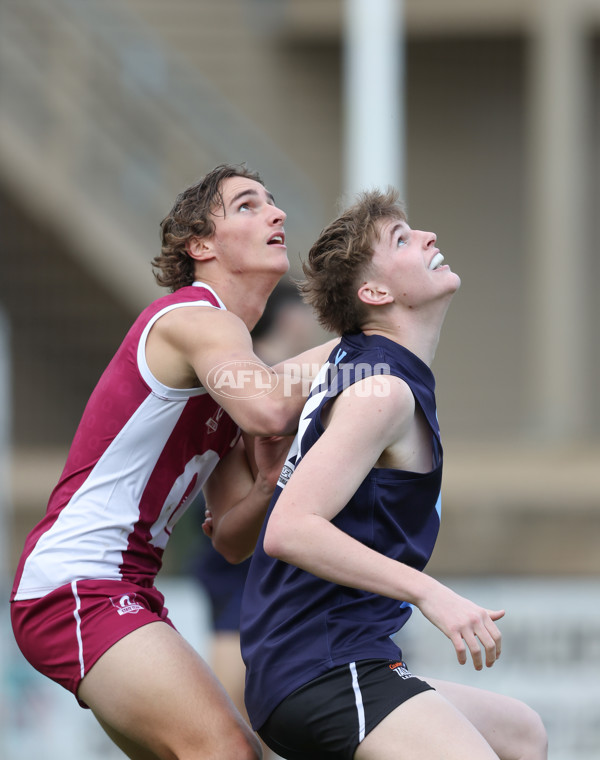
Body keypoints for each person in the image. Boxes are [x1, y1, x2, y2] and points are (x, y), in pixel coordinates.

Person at [10, 163, 335, 760]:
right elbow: (268, 410)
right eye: (246, 205)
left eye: (271, 202)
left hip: (119, 586)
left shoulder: (227, 356)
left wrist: (265, 487)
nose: (276, 214)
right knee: (228, 751)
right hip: (77, 584)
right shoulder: (195, 320)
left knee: (236, 752)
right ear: (200, 246)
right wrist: (363, 345)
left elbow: (231, 540)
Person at [238, 189, 549, 760]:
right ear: (375, 293)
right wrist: (433, 595)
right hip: (324, 667)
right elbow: (291, 529)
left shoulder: (351, 357)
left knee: (519, 733)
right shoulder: (382, 390)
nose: (428, 237)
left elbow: (246, 392)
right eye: (402, 239)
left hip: (337, 659)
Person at [192, 281, 324, 760]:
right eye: (306, 312)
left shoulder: (261, 375)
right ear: (288, 317)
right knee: (240, 726)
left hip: (245, 553)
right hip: (246, 557)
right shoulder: (260, 382)